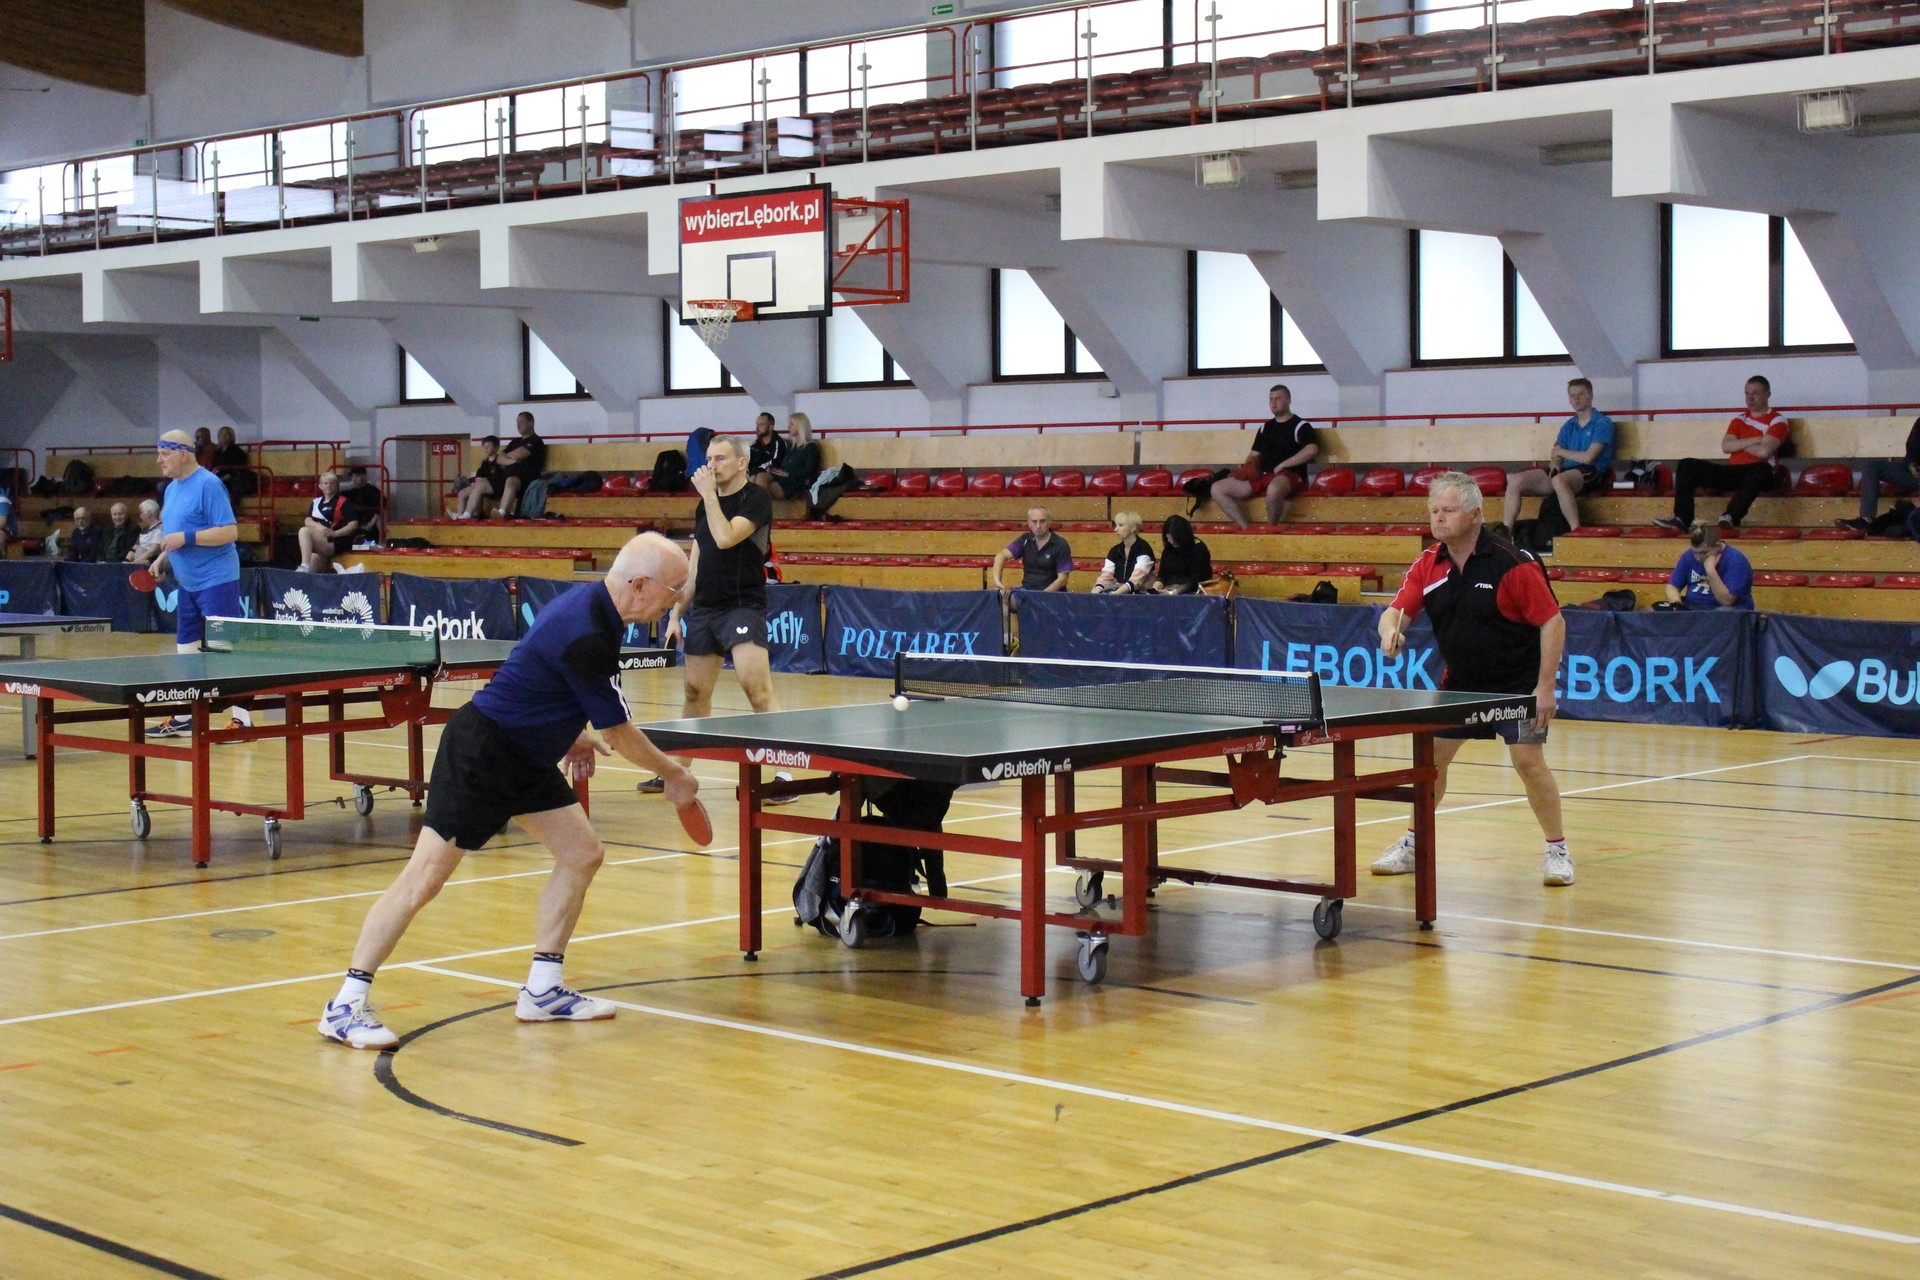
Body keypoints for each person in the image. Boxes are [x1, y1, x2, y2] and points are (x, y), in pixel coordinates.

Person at [319, 533, 698, 1049]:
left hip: (525, 754)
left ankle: (543, 990)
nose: (677, 602)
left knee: (582, 853)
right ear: (639, 585)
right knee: (423, 879)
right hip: (483, 754)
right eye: (674, 591)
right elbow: (619, 733)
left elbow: (540, 675)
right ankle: (345, 1005)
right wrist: (674, 774)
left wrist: (569, 731)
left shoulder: (594, 609)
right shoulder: (588, 630)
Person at [1372, 472, 1573, 887]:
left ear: (1476, 514)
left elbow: (1553, 622)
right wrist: (1389, 632)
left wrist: (1545, 686)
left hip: (1518, 684)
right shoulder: (1428, 564)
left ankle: (1557, 852)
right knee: (1430, 761)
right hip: (1463, 683)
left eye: (1448, 510)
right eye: (1434, 510)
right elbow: (1395, 612)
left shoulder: (1511, 563)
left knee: (1528, 762)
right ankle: (1414, 844)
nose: (1438, 518)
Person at [637, 436, 787, 795]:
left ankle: (786, 774)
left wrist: (708, 495)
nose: (711, 465)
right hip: (705, 607)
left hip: (742, 605)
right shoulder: (704, 505)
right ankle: (677, 771)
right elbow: (697, 563)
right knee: (694, 692)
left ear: (741, 463)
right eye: (708, 458)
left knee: (757, 690)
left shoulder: (755, 499)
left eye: (720, 458)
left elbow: (725, 538)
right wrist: (677, 611)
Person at [146, 430, 247, 739]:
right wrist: (162, 559)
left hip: (216, 580)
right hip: (187, 583)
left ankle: (243, 721)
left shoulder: (209, 484)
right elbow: (175, 534)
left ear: (183, 454)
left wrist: (185, 538)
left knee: (224, 650)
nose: (159, 460)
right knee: (187, 649)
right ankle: (185, 717)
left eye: (165, 453)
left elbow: (229, 532)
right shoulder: (171, 490)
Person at [1653, 375, 1789, 532]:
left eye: (1755, 393)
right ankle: (1682, 519)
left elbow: (1764, 451)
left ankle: (1730, 516)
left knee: (1760, 470)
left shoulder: (1777, 420)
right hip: (1733, 471)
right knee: (1686, 464)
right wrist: (1756, 440)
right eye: (1747, 393)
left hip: (1761, 472)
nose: (1750, 398)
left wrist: (1738, 444)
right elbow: (1725, 446)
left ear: (1767, 394)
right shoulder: (1739, 420)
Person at [1502, 377, 1614, 534]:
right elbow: (1555, 456)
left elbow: (1589, 458)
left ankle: (1576, 530)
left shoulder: (1602, 423)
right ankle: (1506, 532)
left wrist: (1560, 453)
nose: (1576, 399)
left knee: (1559, 481)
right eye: (1572, 395)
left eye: (1581, 394)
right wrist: (1555, 464)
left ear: (1590, 395)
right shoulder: (1569, 425)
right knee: (1516, 480)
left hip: (1593, 472)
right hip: (1566, 471)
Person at [1210, 384, 1318, 527]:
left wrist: (1283, 465)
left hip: (1290, 475)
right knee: (1217, 488)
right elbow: (1253, 454)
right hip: (1263, 475)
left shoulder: (1301, 426)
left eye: (1278, 398)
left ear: (1288, 400)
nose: (1274, 402)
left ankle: (1270, 529)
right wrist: (1247, 468)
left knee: (1273, 490)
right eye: (1271, 399)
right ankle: (1246, 528)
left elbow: (1311, 450)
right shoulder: (1265, 428)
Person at [1836, 415, 1920, 533]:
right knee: (1872, 466)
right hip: (1913, 473)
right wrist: (1911, 464)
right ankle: (1866, 520)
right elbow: (1911, 449)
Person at [1663, 519, 1754, 610]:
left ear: (1717, 546)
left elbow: (1727, 601)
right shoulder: (1688, 555)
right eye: (1695, 552)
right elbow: (1672, 587)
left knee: (1723, 612)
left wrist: (1710, 570)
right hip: (1694, 607)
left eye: (1703, 553)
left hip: (1728, 609)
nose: (1698, 558)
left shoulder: (1735, 560)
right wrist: (1677, 605)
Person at [992, 507, 1073, 605]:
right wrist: (998, 582)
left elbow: (1062, 579)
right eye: (1034, 522)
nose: (1038, 526)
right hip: (1027, 592)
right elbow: (1000, 556)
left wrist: (1041, 597)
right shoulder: (1025, 539)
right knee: (1000, 596)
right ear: (1029, 523)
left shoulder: (1060, 544)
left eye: (1042, 521)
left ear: (1049, 522)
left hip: (1052, 596)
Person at [297, 470, 360, 573]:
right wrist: (319, 526)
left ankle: (304, 565)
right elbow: (308, 520)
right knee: (311, 570)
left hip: (336, 541)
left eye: (332, 483)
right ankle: (307, 568)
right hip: (322, 541)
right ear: (320, 486)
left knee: (304, 531)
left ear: (336, 486)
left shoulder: (343, 502)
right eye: (325, 483)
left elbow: (353, 524)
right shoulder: (316, 502)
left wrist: (336, 533)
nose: (329, 486)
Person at [754, 412, 821, 499]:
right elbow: (786, 466)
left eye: (792, 424)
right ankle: (757, 506)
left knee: (762, 487)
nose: (788, 427)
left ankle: (757, 506)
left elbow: (810, 471)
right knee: (759, 476)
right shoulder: (792, 447)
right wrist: (776, 470)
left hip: (796, 482)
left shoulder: (810, 447)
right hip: (785, 478)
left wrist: (788, 474)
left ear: (800, 426)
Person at [497, 411, 547, 517]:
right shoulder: (514, 442)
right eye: (517, 422)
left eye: (521, 422)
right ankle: (465, 515)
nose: (518, 425)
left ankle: (501, 513)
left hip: (527, 479)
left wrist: (507, 458)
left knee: (512, 480)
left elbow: (519, 454)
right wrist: (512, 461)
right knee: (480, 483)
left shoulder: (536, 441)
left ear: (531, 423)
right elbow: (499, 459)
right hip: (507, 476)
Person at [1091, 511, 1156, 594]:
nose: (1115, 529)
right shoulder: (1114, 551)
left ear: (1133, 528)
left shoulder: (1144, 549)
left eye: (1120, 525)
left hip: (1142, 595)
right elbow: (1106, 577)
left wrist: (1116, 594)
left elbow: (1136, 581)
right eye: (1116, 525)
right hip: (1122, 593)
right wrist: (1097, 589)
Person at [1148, 514, 1213, 594]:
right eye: (1168, 539)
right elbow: (1162, 575)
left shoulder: (1199, 549)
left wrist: (1174, 592)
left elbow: (1196, 580)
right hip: (1170, 589)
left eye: (1174, 540)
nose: (1171, 542)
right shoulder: (1169, 548)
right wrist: (1156, 588)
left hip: (1193, 592)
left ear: (1183, 537)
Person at [452, 436, 505, 519]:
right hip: (483, 486)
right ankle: (459, 514)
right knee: (462, 492)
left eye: (488, 446)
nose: (486, 449)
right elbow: (479, 478)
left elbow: (499, 479)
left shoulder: (501, 461)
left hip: (496, 488)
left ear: (496, 447)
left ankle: (467, 515)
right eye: (484, 446)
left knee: (479, 486)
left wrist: (481, 483)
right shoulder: (484, 463)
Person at [340, 465, 382, 544]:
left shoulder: (373, 492)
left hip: (367, 530)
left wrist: (371, 523)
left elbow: (379, 509)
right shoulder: (351, 493)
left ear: (364, 476)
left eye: (357, 476)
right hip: (353, 528)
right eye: (353, 477)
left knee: (365, 547)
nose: (354, 479)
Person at [746, 411, 786, 480]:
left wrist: (755, 470)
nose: (757, 428)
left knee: (758, 478)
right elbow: (746, 459)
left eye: (761, 425)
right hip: (754, 475)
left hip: (773, 477)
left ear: (771, 427)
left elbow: (775, 463)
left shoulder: (779, 443)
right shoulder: (755, 444)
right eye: (757, 424)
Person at [128, 499, 164, 564]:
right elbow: (135, 547)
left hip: (148, 563)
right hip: (137, 563)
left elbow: (153, 550)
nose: (140, 516)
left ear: (149, 514)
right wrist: (126, 560)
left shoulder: (160, 528)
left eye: (141, 513)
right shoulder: (144, 530)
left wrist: (134, 562)